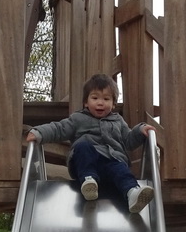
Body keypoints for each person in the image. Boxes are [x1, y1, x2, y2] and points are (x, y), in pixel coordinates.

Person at [25, 72, 155, 213]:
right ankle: (89, 181)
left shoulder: (118, 121)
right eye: (95, 98)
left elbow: (128, 141)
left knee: (121, 168)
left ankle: (132, 193)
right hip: (86, 162)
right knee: (83, 146)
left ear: (113, 104)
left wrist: (139, 130)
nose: (100, 102)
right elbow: (59, 128)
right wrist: (39, 132)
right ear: (86, 102)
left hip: (111, 162)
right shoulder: (78, 119)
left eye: (106, 99)